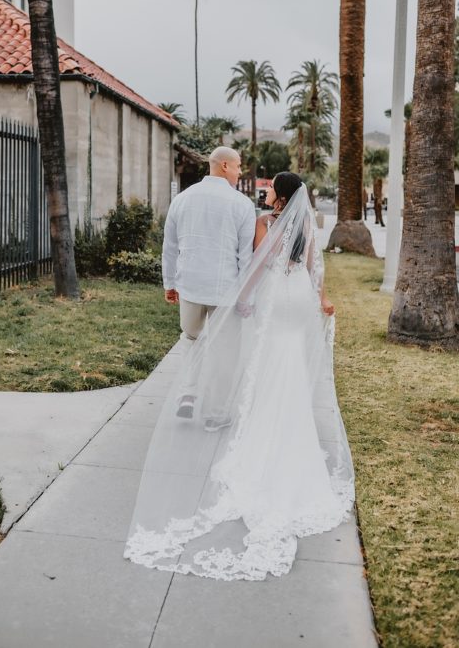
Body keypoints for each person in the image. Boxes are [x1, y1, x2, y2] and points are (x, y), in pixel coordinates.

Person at [124, 172, 353, 581]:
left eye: (269, 190)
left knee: (266, 363)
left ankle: (266, 427)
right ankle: (291, 427)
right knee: (291, 364)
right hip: (299, 297)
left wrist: (241, 298)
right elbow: (316, 268)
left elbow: (260, 264)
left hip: (275, 297)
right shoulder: (306, 223)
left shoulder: (266, 223)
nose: (264, 193)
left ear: (279, 196)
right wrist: (322, 300)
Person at [161, 146, 256, 425]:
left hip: (189, 286)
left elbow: (170, 247)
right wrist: (245, 296)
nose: (241, 172)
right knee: (224, 350)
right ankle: (215, 414)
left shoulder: (182, 199)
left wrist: (169, 282)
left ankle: (188, 395)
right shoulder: (241, 204)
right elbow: (245, 257)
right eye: (239, 166)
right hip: (226, 290)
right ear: (225, 166)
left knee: (191, 339)